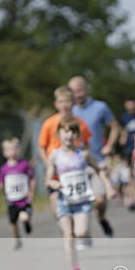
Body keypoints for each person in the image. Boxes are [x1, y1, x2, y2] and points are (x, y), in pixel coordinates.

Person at [45, 117, 115, 270]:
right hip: (64, 201)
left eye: (72, 132)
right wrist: (53, 182)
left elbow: (99, 170)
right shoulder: (54, 156)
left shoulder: (83, 154)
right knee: (68, 236)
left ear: (77, 135)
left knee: (81, 232)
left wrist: (108, 186)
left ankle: (86, 236)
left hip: (82, 201)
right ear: (59, 134)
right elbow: (47, 179)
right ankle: (75, 268)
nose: (69, 135)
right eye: (65, 131)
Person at [68, 76, 121, 237]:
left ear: (87, 89)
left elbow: (115, 127)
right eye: (73, 91)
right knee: (78, 202)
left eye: (80, 89)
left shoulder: (100, 107)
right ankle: (81, 231)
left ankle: (102, 218)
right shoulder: (69, 110)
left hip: (97, 160)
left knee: (100, 200)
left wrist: (109, 145)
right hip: (76, 163)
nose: (78, 94)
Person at [38, 86, 92, 215]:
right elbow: (42, 147)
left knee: (79, 215)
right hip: (56, 176)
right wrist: (48, 164)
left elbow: (86, 145)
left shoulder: (80, 124)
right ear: (56, 104)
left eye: (67, 101)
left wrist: (84, 163)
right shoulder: (49, 123)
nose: (65, 105)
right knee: (58, 213)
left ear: (73, 103)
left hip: (74, 176)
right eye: (61, 102)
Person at [0, 137, 35, 250]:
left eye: (13, 149)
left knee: (24, 217)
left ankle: (27, 223)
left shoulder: (24, 165)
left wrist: (31, 192)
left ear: (18, 150)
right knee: (13, 223)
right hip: (11, 200)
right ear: (4, 152)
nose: (11, 152)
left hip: (24, 199)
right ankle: (16, 239)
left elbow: (32, 178)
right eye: (8, 149)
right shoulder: (4, 169)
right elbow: (1, 182)